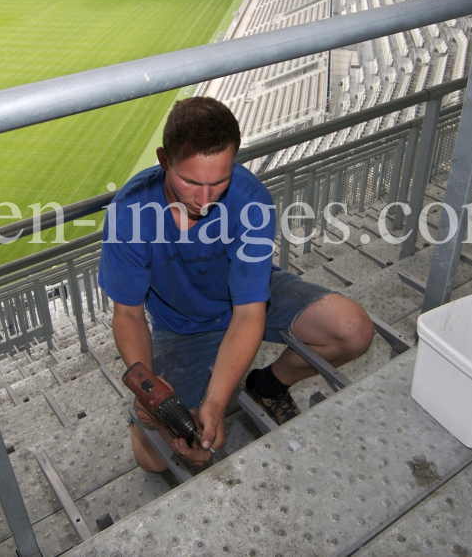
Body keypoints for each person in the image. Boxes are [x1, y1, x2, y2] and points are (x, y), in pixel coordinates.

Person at [98, 96, 373, 472]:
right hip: (180, 328)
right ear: (164, 161)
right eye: (190, 181)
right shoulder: (129, 211)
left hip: (248, 299)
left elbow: (248, 311)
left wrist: (216, 400)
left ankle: (268, 385)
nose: (205, 199)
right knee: (152, 459)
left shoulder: (251, 199)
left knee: (352, 330)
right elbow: (128, 313)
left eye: (220, 181)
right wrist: (152, 390)